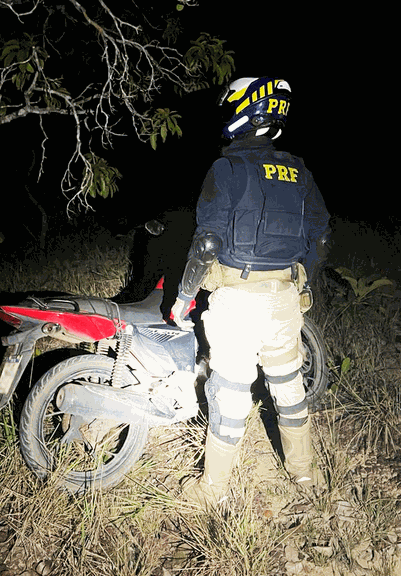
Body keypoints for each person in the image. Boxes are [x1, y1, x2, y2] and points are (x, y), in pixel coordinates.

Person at [170, 77, 331, 507]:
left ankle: (213, 491)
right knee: (289, 386)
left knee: (230, 391)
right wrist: (302, 280)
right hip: (283, 301)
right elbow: (321, 239)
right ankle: (303, 475)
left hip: (236, 302)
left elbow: (207, 245)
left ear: (244, 112)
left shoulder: (226, 169)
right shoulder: (298, 169)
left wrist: (184, 298)